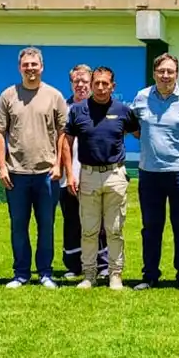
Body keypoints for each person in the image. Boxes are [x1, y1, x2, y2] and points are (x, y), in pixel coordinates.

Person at [0, 46, 69, 289]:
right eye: (26, 65)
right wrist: (2, 166)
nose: (30, 68)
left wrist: (58, 164)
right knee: (19, 226)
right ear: (20, 68)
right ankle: (21, 274)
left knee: (46, 226)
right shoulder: (8, 95)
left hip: (47, 174)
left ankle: (45, 273)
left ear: (42, 67)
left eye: (34, 64)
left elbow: (63, 133)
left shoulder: (54, 96)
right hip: (16, 174)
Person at [62, 66, 140, 290]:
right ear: (92, 84)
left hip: (115, 175)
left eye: (105, 83)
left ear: (113, 86)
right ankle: (89, 275)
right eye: (97, 83)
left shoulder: (123, 111)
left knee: (114, 229)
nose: (101, 87)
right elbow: (66, 142)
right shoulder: (78, 110)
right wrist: (70, 174)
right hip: (87, 175)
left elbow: (140, 133)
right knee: (89, 230)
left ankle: (115, 274)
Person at [128, 53, 179, 291]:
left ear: (177, 74)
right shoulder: (141, 97)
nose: (165, 75)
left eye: (170, 71)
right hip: (149, 172)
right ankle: (150, 275)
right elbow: (134, 127)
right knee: (151, 227)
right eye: (161, 71)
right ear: (154, 73)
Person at [59, 65, 108, 280]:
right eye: (76, 81)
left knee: (99, 222)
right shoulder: (62, 107)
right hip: (68, 175)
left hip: (96, 174)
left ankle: (103, 264)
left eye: (84, 81)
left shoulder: (101, 107)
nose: (80, 85)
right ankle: (74, 264)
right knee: (72, 221)